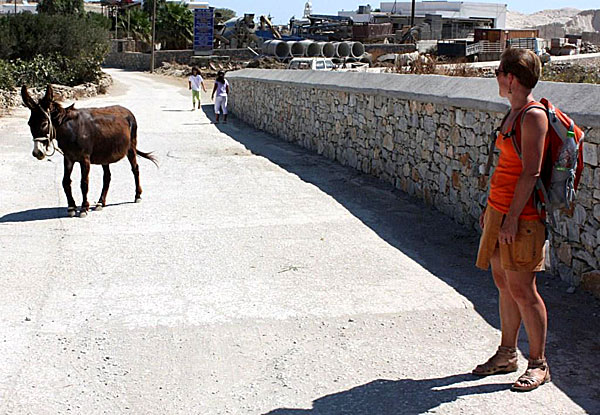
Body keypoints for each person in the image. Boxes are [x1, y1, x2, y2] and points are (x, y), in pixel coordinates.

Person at [473, 48, 550, 392]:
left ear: (511, 79)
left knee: (523, 289)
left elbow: (531, 172)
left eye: (498, 73)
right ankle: (507, 354)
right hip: (500, 212)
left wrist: (511, 219)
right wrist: (492, 213)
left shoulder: (533, 116)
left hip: (523, 217)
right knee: (504, 283)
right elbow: (507, 169)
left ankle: (539, 364)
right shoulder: (514, 114)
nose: (497, 79)